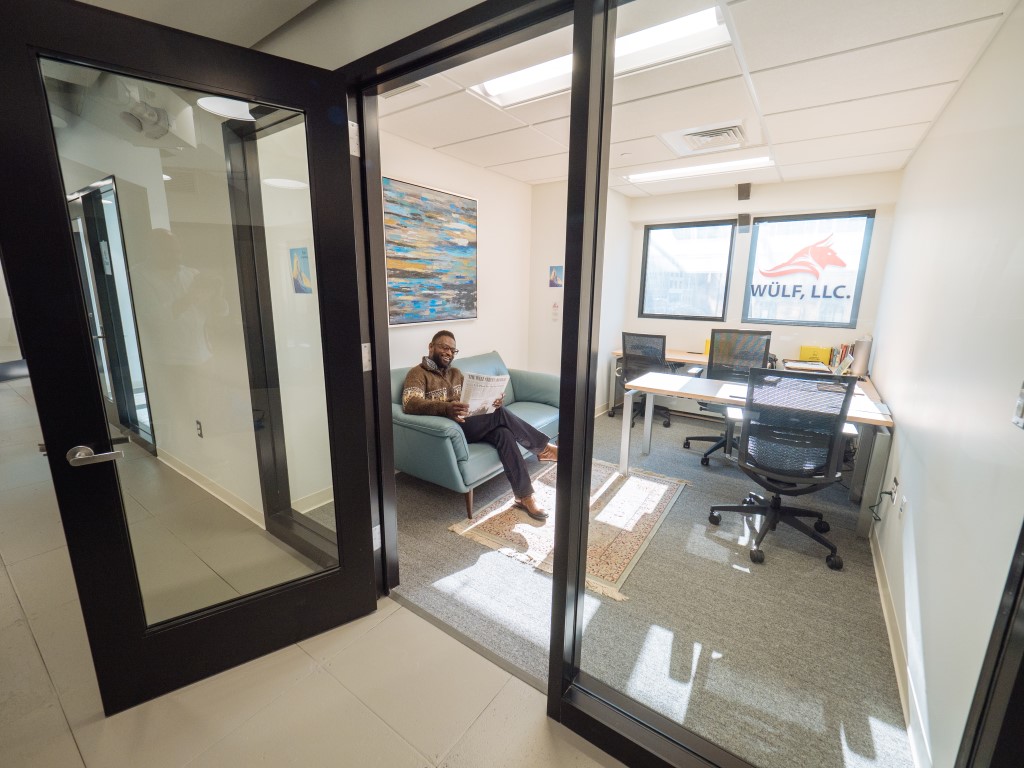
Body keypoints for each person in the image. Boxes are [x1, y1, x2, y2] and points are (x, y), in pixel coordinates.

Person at [401, 330, 558, 521]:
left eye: (452, 350)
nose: (448, 352)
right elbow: (410, 403)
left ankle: (524, 496)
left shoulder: (455, 373)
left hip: (472, 423)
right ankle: (542, 448)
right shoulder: (417, 373)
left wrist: (493, 400)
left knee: (504, 433)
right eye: (444, 347)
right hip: (453, 428)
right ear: (431, 347)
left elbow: (471, 398)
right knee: (499, 415)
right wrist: (446, 408)